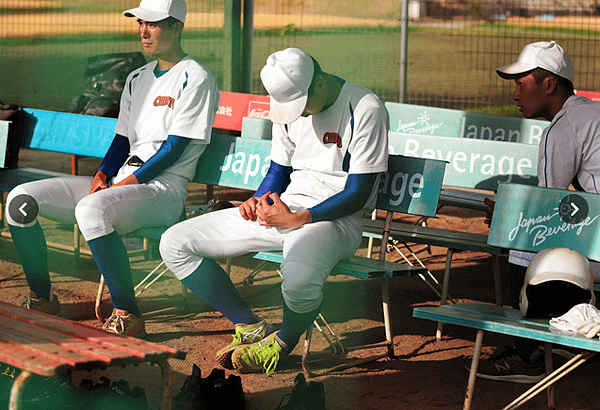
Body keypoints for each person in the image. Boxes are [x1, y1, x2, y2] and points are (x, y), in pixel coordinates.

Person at [159, 47, 389, 374]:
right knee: (174, 243)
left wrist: (299, 219)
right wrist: (259, 199)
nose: (294, 114)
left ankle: (283, 342)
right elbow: (279, 171)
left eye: (300, 105)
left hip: (336, 222)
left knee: (297, 279)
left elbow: (357, 193)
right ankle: (250, 327)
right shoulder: (285, 101)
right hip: (285, 210)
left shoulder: (365, 107)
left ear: (319, 84)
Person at [5, 0, 219, 338]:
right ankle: (42, 297)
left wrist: (127, 182)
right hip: (122, 184)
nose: (144, 31)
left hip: (163, 191)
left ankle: (127, 313)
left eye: (153, 23)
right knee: (20, 200)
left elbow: (174, 149)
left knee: (92, 209)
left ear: (177, 27)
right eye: (140, 23)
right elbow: (122, 139)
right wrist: (104, 173)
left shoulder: (197, 77)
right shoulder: (137, 78)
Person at [480, 40, 600, 382]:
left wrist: (510, 218)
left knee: (525, 244)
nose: (515, 95)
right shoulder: (591, 112)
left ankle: (530, 353)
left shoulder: (561, 127)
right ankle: (570, 337)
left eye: (521, 84)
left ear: (549, 84)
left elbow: (549, 213)